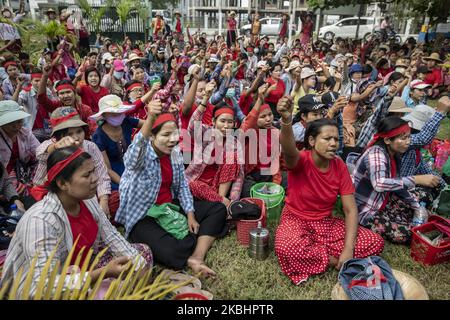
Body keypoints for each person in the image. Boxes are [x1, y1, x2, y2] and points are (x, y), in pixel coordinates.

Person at [1, 146, 152, 298]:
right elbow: (46, 284)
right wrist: (102, 273)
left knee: (141, 254)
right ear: (62, 183)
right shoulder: (41, 220)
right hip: (39, 288)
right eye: (87, 175)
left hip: (77, 268)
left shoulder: (87, 200)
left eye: (93, 171)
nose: (95, 179)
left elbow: (112, 236)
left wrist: (137, 266)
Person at [275, 96, 384, 285]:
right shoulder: (301, 160)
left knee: (375, 241)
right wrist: (286, 121)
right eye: (327, 139)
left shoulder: (339, 165)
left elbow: (350, 210)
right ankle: (335, 261)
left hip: (326, 223)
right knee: (287, 247)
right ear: (311, 140)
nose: (333, 143)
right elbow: (288, 149)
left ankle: (319, 253)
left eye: (335, 138)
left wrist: (348, 249)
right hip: (296, 220)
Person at [115, 101, 227, 277]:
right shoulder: (141, 156)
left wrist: (190, 214)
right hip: (143, 216)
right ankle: (193, 242)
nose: (173, 139)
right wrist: (151, 117)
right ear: (152, 137)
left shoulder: (173, 153)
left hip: (169, 206)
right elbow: (131, 158)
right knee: (171, 251)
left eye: (175, 133)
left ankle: (197, 256)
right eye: (166, 134)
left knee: (218, 209)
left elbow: (182, 186)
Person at [352, 117, 440, 244]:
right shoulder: (376, 154)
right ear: (387, 140)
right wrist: (416, 179)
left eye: (409, 137)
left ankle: (409, 218)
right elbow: (379, 184)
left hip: (383, 200)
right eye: (403, 138)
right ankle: (409, 225)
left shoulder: (393, 154)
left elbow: (396, 184)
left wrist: (415, 206)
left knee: (424, 196)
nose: (408, 142)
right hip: (365, 210)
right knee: (404, 234)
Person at [33, 106, 112, 217]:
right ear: (58, 137)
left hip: (86, 194)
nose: (76, 138)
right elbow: (40, 153)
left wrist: (103, 201)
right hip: (52, 197)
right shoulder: (52, 146)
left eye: (79, 131)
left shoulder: (90, 147)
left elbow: (102, 174)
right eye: (69, 134)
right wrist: (55, 147)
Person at [90, 95, 144, 211]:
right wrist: (124, 182)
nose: (118, 116)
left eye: (119, 112)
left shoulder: (126, 121)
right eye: (113, 113)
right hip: (115, 172)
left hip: (133, 163)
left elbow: (148, 125)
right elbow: (107, 168)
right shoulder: (98, 136)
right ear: (104, 115)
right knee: (123, 196)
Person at [0, 100, 39, 199]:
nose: (16, 126)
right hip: (4, 176)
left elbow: (40, 151)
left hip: (23, 171)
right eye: (11, 123)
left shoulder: (25, 133)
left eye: (19, 121)